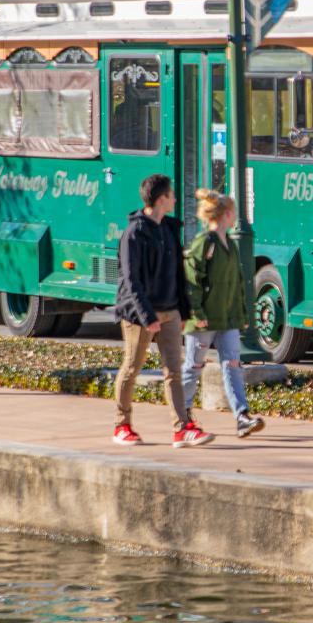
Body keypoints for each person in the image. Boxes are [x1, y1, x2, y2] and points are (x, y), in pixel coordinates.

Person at [111, 173, 210, 447]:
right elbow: (131, 280)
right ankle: (121, 425)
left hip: (169, 311)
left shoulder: (168, 229)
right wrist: (147, 316)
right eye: (172, 195)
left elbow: (178, 274)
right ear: (161, 199)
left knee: (173, 371)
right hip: (138, 314)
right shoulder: (134, 233)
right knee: (132, 367)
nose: (175, 198)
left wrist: (184, 312)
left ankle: (181, 428)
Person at [182, 190, 264, 439]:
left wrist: (241, 315)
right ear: (227, 214)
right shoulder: (204, 242)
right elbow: (191, 280)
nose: (235, 217)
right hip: (204, 319)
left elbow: (236, 282)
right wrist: (197, 312)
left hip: (227, 318)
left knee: (233, 365)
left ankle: (242, 416)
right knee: (193, 366)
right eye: (234, 213)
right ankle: (182, 414)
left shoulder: (229, 244)